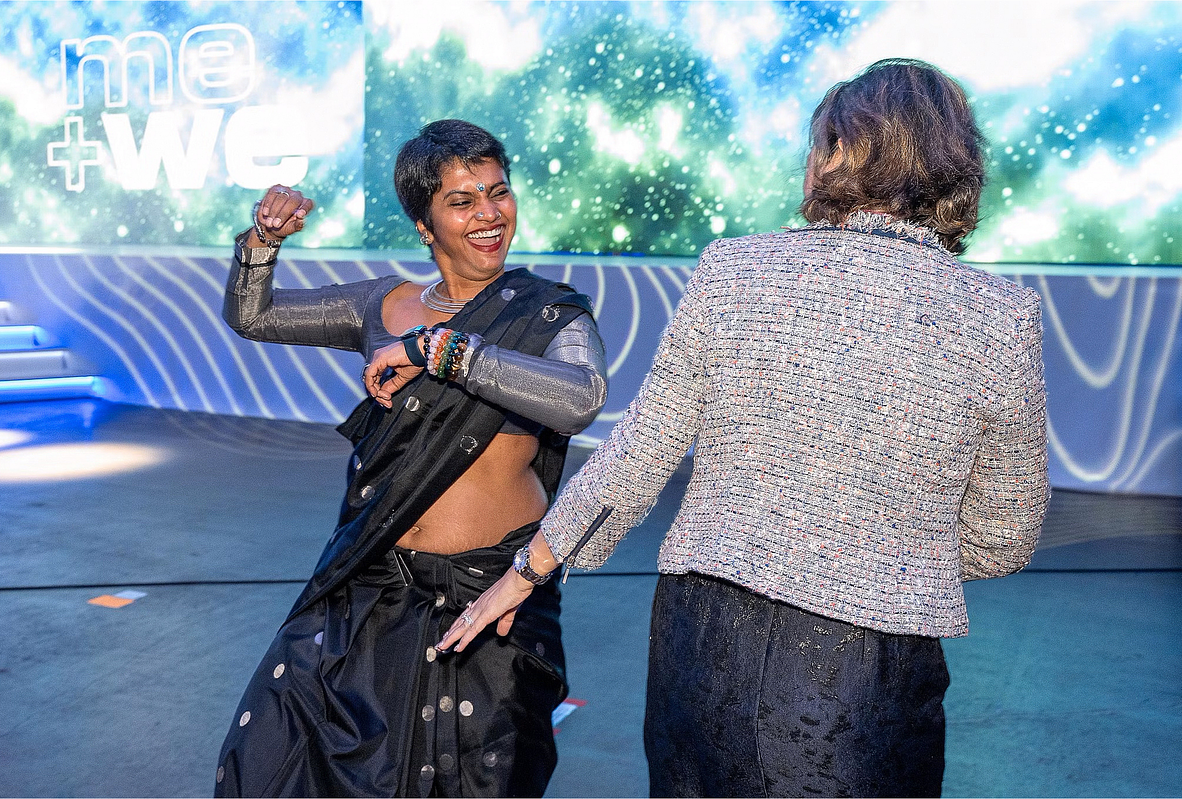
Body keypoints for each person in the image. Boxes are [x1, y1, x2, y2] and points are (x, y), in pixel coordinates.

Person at [438, 59, 1050, 798]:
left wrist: (526, 571)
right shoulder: (998, 318)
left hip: (702, 643)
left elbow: (638, 453)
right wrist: (894, 557)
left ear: (834, 154)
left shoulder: (733, 270)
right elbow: (1005, 534)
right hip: (865, 671)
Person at [213, 119, 608, 798]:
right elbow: (256, 316)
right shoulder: (382, 304)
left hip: (493, 598)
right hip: (372, 589)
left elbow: (580, 399)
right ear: (424, 224)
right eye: (463, 201)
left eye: (498, 192)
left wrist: (444, 350)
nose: (489, 215)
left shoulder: (547, 316)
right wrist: (262, 241)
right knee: (285, 759)